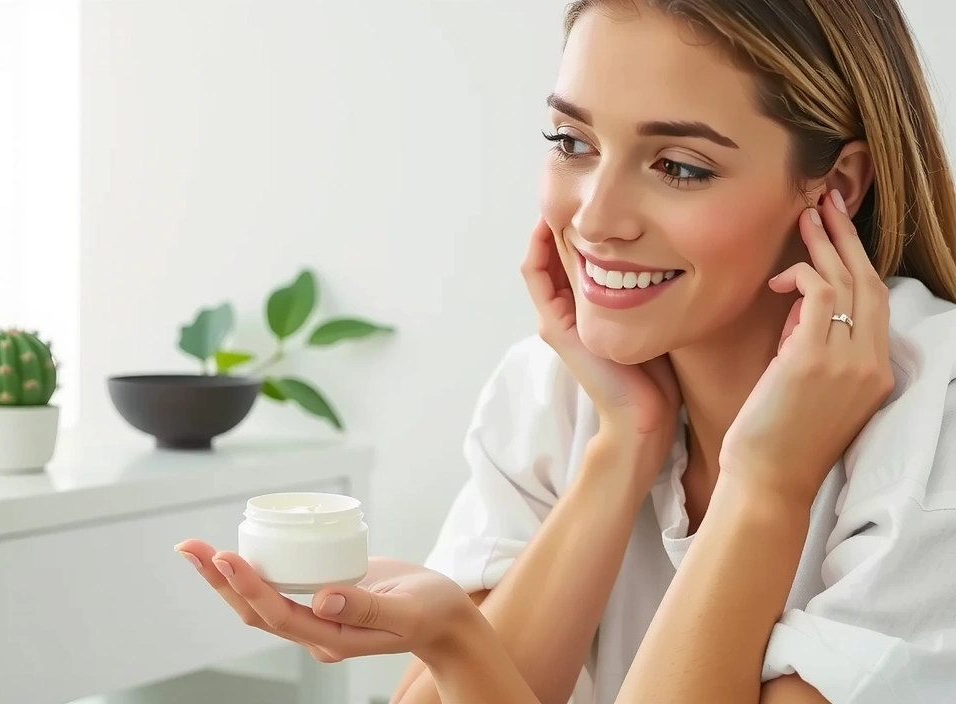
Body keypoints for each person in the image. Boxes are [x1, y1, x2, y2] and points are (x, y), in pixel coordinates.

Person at [175, 0, 956, 701]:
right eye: (571, 141)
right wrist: (625, 446)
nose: (596, 216)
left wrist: (768, 488)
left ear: (838, 187)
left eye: (680, 166)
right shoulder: (558, 389)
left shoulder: (936, 422)